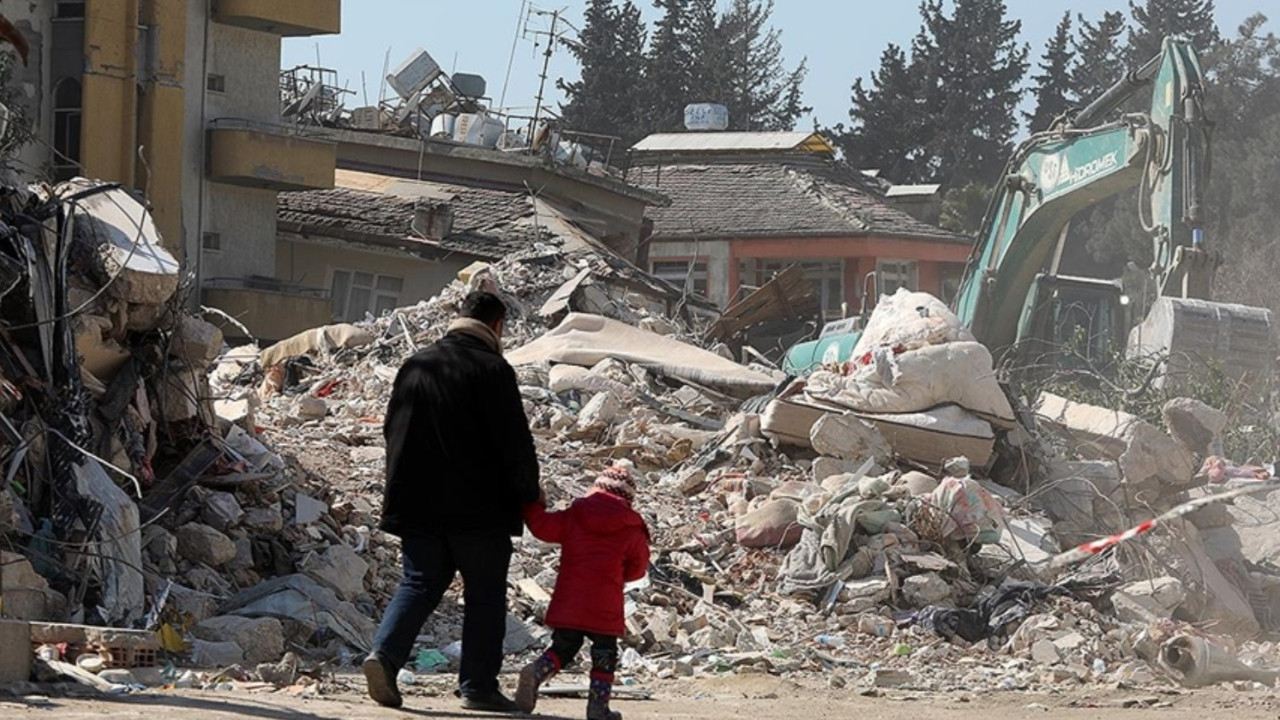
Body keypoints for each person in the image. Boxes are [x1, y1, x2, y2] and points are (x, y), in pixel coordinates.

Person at [363, 291, 540, 713]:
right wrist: (529, 492)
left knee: (419, 583)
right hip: (478, 509)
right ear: (497, 326)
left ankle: (384, 657)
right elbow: (514, 441)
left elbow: (393, 431)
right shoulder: (493, 370)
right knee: (484, 594)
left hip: (418, 503)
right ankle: (477, 686)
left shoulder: (416, 364)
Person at [515, 460, 650, 720]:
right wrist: (619, 574)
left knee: (564, 647)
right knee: (604, 654)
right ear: (628, 499)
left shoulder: (576, 516)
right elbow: (638, 569)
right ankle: (598, 708)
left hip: (571, 601)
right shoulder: (632, 529)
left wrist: (531, 505)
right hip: (605, 605)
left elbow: (542, 528)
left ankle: (537, 671)